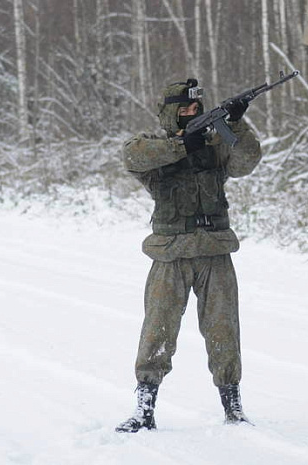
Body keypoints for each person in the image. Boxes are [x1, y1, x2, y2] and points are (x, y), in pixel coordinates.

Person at [115, 78, 262, 433]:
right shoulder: (151, 145)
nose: (192, 114)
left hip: (214, 250)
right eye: (184, 110)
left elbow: (247, 161)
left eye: (196, 109)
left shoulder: (216, 143)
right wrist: (183, 143)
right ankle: (144, 407)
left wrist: (236, 124)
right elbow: (132, 156)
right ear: (169, 112)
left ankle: (233, 405)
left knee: (224, 330)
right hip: (171, 253)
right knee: (158, 331)